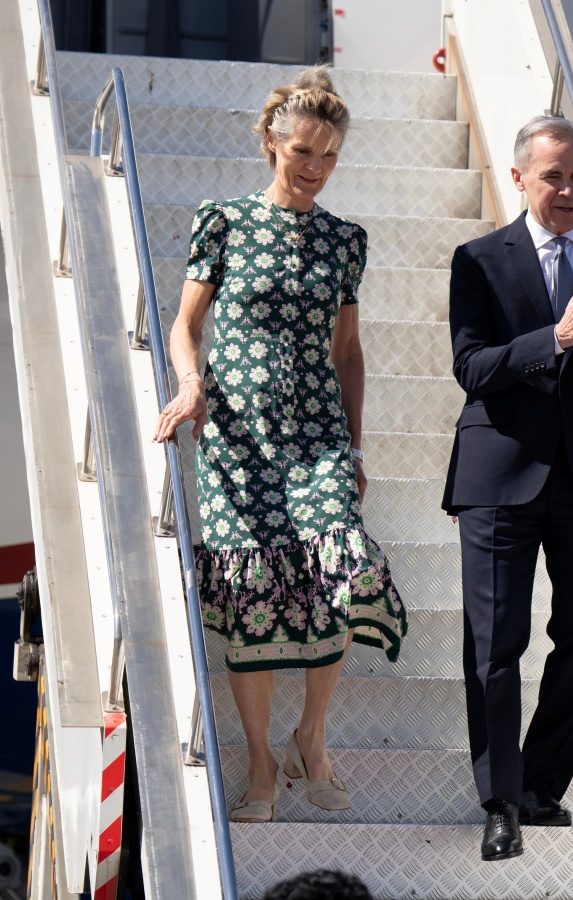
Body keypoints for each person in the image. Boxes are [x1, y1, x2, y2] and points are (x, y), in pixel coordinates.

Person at [151, 66, 406, 823]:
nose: (314, 168)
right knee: (253, 596)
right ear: (270, 142)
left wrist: (355, 447)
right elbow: (184, 324)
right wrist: (190, 382)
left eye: (328, 156)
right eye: (302, 151)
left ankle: (311, 735)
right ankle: (263, 764)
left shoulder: (344, 240)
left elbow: (349, 352)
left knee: (340, 570)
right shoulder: (222, 221)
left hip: (318, 435)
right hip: (236, 435)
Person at [442, 115, 573, 861]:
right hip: (499, 473)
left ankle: (541, 786)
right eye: (552, 176)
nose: (567, 191)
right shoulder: (479, 260)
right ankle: (501, 801)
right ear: (519, 179)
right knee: (496, 645)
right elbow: (472, 367)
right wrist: (554, 342)